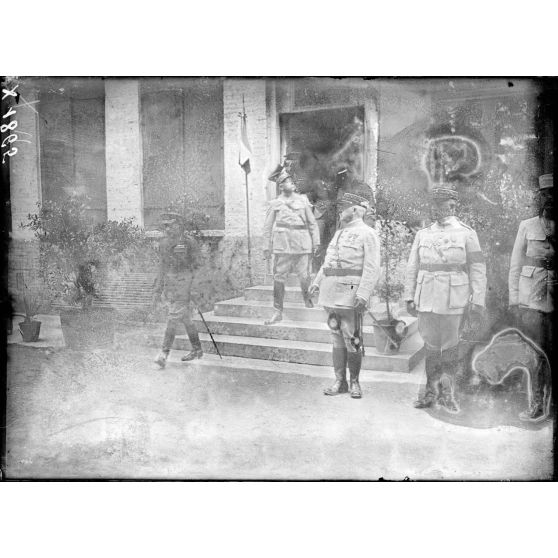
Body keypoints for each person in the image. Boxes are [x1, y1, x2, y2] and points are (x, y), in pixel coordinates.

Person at [405, 187, 486, 412]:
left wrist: (477, 300)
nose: (434, 208)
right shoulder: (423, 234)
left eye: (440, 204)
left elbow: (478, 269)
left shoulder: (467, 234)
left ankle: (448, 394)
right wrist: (409, 296)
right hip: (426, 298)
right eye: (433, 203)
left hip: (454, 299)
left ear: (452, 205)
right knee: (430, 347)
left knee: (450, 347)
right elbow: (412, 267)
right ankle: (430, 393)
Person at [309, 190, 380, 399]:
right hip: (331, 294)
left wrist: (363, 294)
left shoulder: (368, 233)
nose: (340, 211)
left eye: (343, 208)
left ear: (356, 210)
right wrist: (316, 282)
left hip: (350, 294)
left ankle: (355, 382)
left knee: (353, 338)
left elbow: (372, 267)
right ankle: (339, 381)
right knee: (336, 337)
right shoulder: (339, 233)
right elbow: (328, 262)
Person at [508, 173, 555, 421]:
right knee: (536, 353)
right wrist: (514, 298)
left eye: (554, 194)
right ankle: (536, 404)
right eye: (546, 195)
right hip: (532, 299)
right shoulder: (527, 225)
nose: (550, 199)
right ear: (539, 197)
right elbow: (515, 265)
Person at [263, 165, 320, 325]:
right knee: (279, 277)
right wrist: (266, 246)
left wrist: (316, 242)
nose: (293, 184)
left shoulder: (303, 201)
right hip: (283, 246)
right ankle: (277, 311)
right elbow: (267, 227)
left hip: (302, 244)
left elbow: (312, 223)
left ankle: (307, 300)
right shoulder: (275, 204)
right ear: (281, 186)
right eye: (288, 182)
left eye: (292, 181)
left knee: (304, 275)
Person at [153, 212, 203, 368]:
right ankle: (197, 349)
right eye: (165, 226)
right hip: (172, 285)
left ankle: (163, 354)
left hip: (185, 285)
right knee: (186, 318)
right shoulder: (164, 243)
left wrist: (194, 289)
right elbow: (162, 267)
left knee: (173, 317)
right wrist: (158, 289)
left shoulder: (189, 242)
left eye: (171, 225)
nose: (167, 229)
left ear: (179, 225)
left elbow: (198, 267)